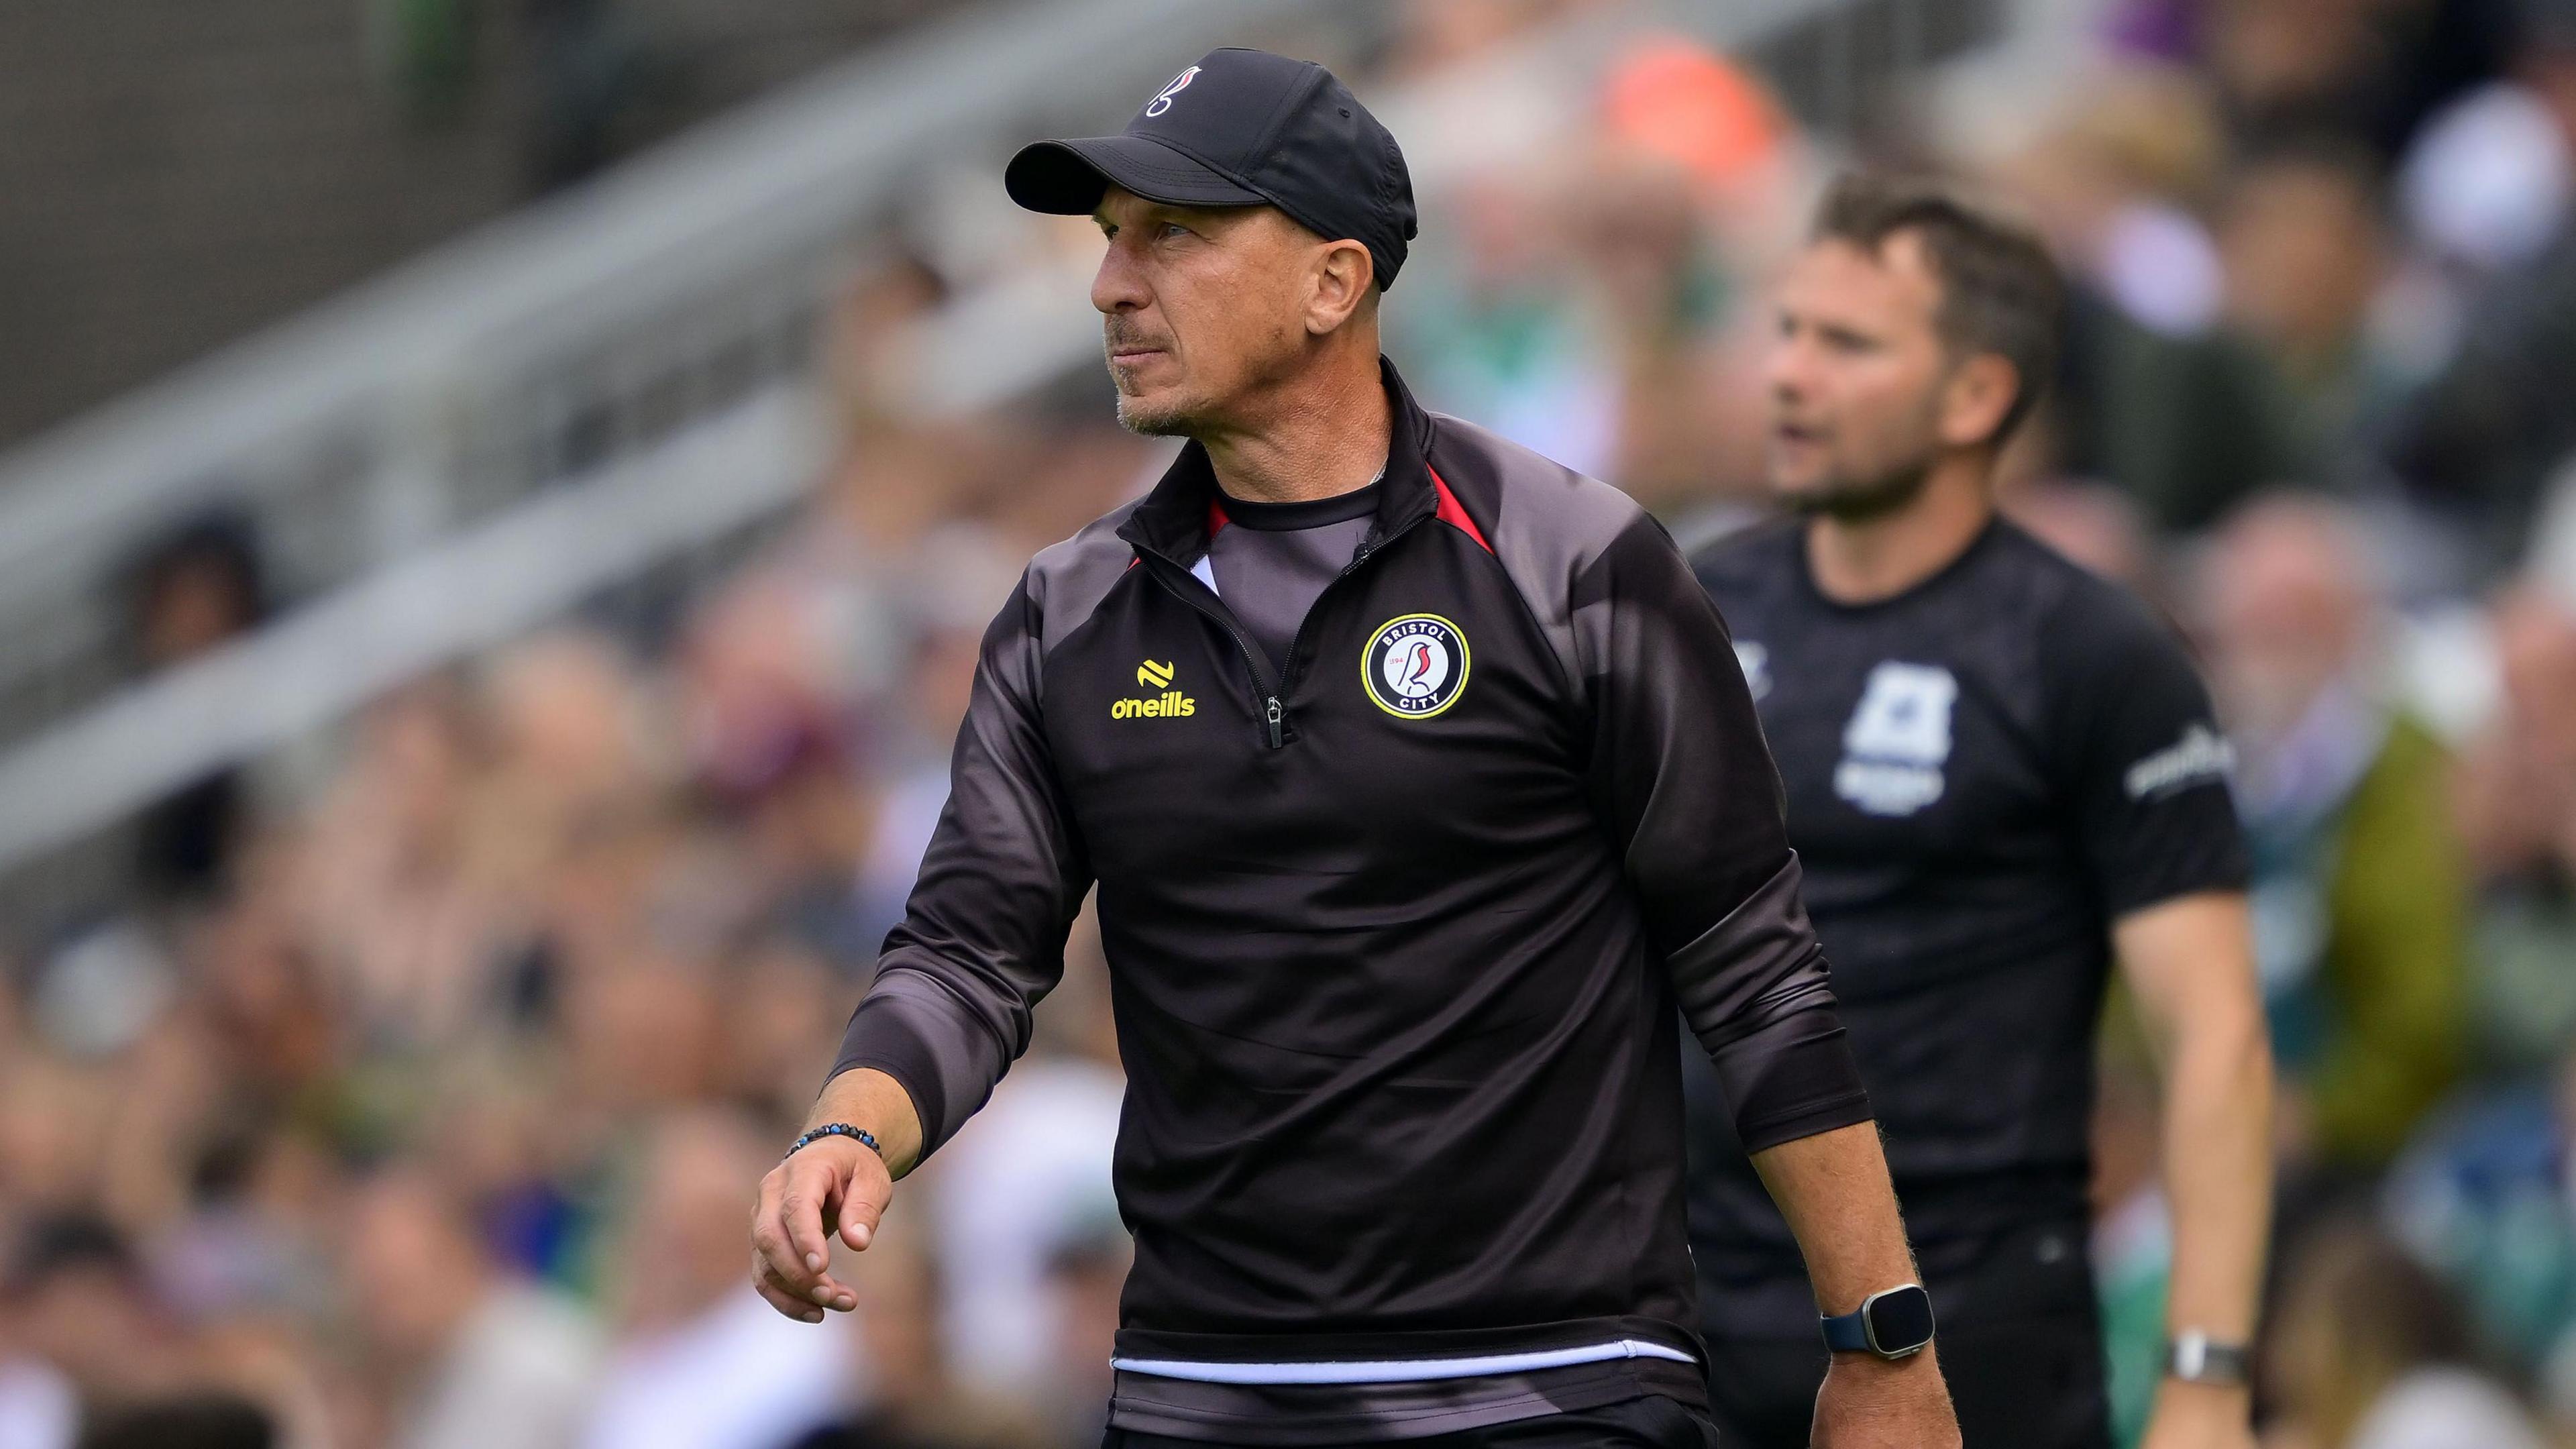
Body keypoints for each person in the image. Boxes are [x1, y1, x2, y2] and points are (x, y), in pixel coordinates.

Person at [753, 46, 1960, 1449]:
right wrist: (849, 1125)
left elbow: (1755, 971)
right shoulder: (1064, 616)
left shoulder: (1573, 566)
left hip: (1560, 1383)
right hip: (1208, 1397)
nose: (1111, 285)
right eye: (1111, 242)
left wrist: (1878, 1345)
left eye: (1176, 237)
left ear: (1335, 283)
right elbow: (969, 952)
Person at [1685, 174, 2274, 1449]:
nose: (1790, 373)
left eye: (1848, 344)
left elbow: (2216, 1039)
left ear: (1976, 396)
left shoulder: (2092, 653)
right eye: (1788, 330)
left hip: (1972, 1332)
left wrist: (2208, 1377)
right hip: (1690, 1319)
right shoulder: (1689, 610)